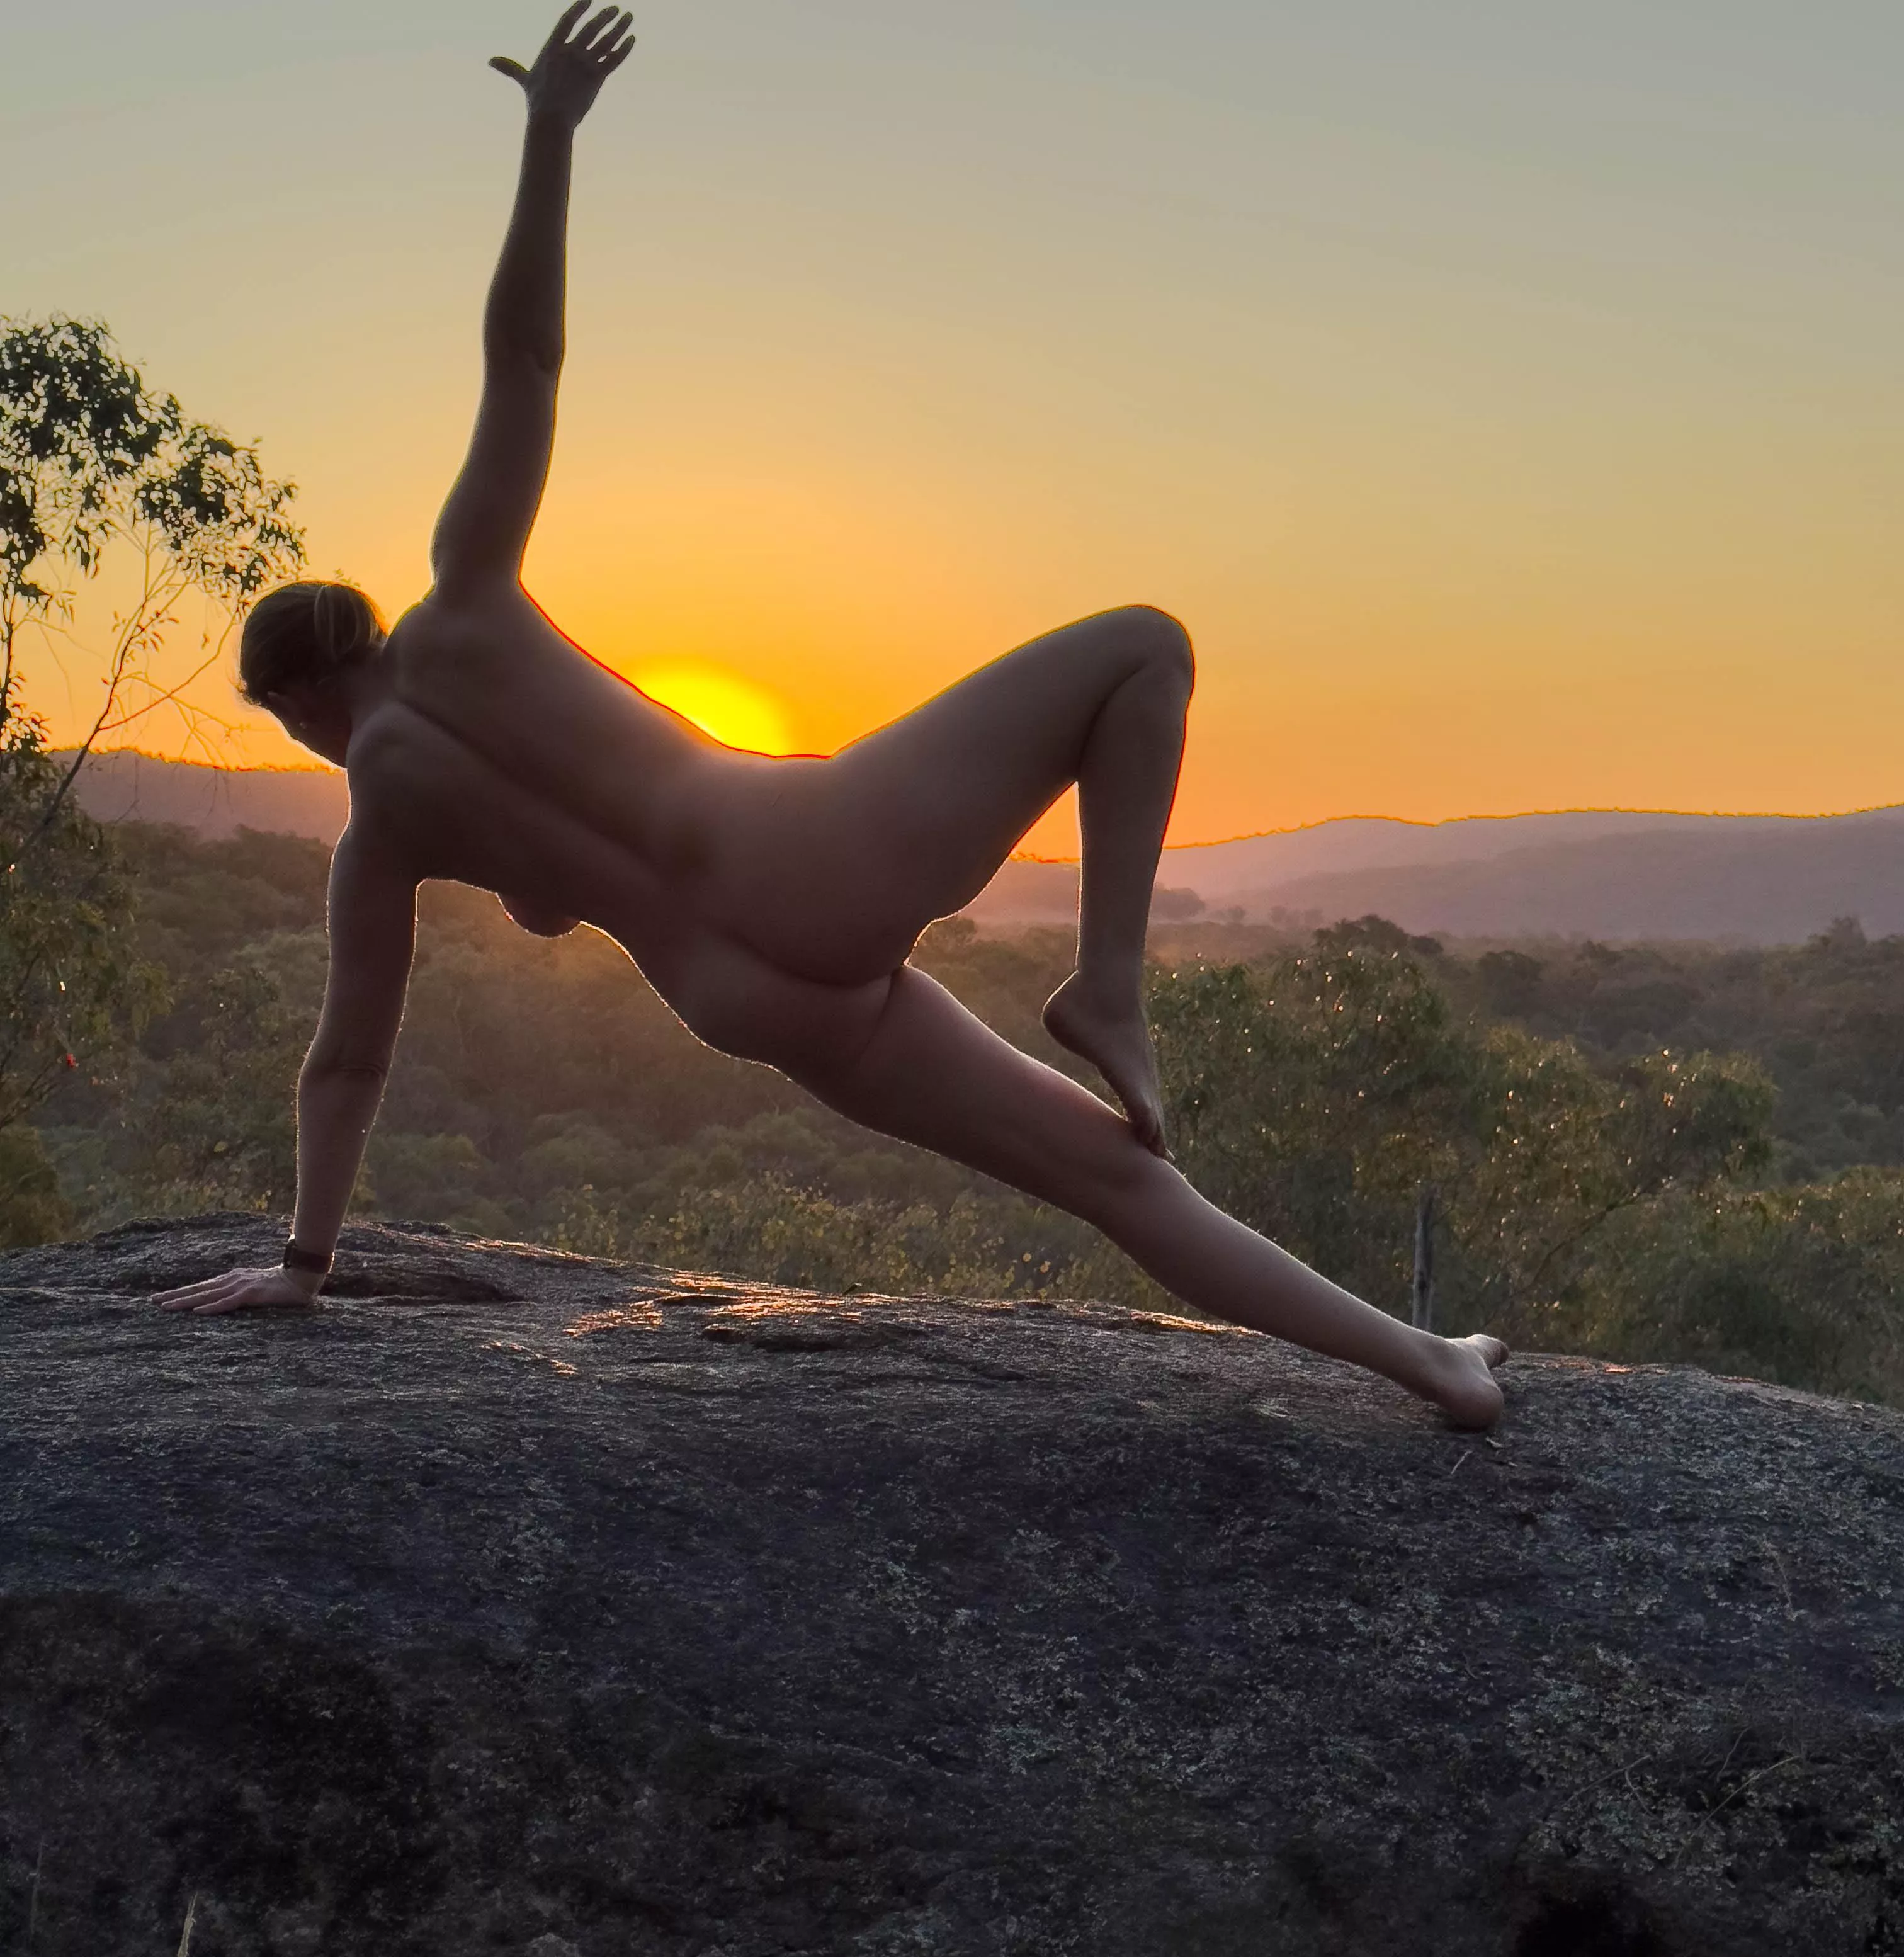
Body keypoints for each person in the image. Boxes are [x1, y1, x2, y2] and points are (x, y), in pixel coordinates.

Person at [155, 4, 1508, 1429]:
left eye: (283, 722)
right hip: (806, 859)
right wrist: (550, 139)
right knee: (1144, 654)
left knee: (1109, 1179)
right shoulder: (466, 596)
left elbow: (350, 1057)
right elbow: (527, 362)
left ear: (300, 692)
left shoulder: (379, 829)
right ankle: (1108, 987)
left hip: (738, 996)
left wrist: (304, 1265)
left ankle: (1439, 1366)